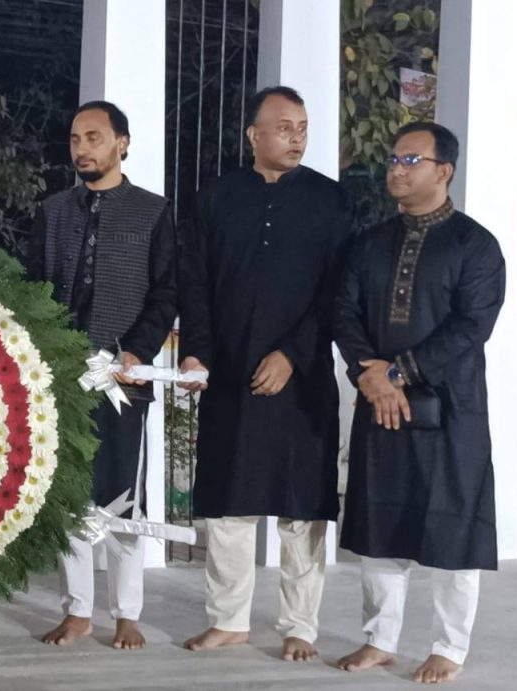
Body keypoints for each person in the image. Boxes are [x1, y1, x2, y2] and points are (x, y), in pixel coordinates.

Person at [177, 86, 353, 661]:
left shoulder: (330, 201)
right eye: (283, 127)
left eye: (302, 127)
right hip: (230, 372)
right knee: (231, 501)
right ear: (253, 135)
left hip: (302, 380)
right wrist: (197, 352)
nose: (296, 137)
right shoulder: (215, 197)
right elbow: (194, 283)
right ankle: (228, 620)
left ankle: (300, 625)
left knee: (302, 508)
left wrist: (292, 354)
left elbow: (337, 292)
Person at [334, 122, 504, 684]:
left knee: (455, 527)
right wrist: (371, 375)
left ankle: (449, 647)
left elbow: (471, 327)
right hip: (380, 404)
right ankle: (380, 640)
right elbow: (344, 314)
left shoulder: (476, 246)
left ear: (444, 171)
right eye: (393, 159)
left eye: (411, 160)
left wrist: (398, 373)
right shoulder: (369, 243)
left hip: (452, 410)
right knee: (380, 522)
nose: (396, 170)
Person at [28, 100, 176, 650]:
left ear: (122, 143)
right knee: (68, 492)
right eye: (75, 139)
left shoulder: (153, 212)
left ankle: (127, 613)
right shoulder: (53, 211)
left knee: (121, 493)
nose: (82, 148)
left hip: (123, 375)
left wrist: (137, 351)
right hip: (62, 373)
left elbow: (166, 291)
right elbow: (34, 287)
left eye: (94, 137)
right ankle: (78, 611)